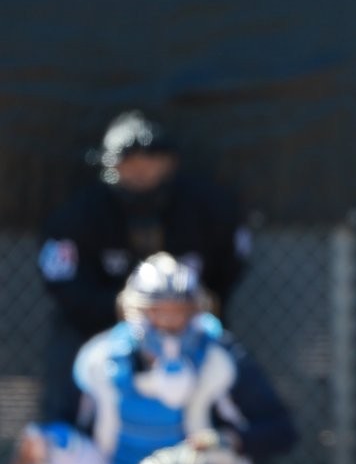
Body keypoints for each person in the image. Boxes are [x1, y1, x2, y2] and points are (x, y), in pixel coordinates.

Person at [9, 253, 321, 464]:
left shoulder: (222, 358)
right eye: (159, 312)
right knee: (42, 448)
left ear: (196, 310)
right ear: (134, 311)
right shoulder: (100, 359)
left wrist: (226, 443)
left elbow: (282, 430)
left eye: (179, 312)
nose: (170, 323)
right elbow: (66, 426)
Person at [37, 109, 250, 425]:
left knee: (233, 377)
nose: (141, 171)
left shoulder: (208, 208)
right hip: (96, 330)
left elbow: (229, 269)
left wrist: (178, 315)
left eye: (151, 160)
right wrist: (131, 314)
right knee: (64, 389)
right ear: (109, 166)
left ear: (171, 163)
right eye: (129, 162)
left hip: (188, 328)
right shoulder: (79, 214)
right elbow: (64, 284)